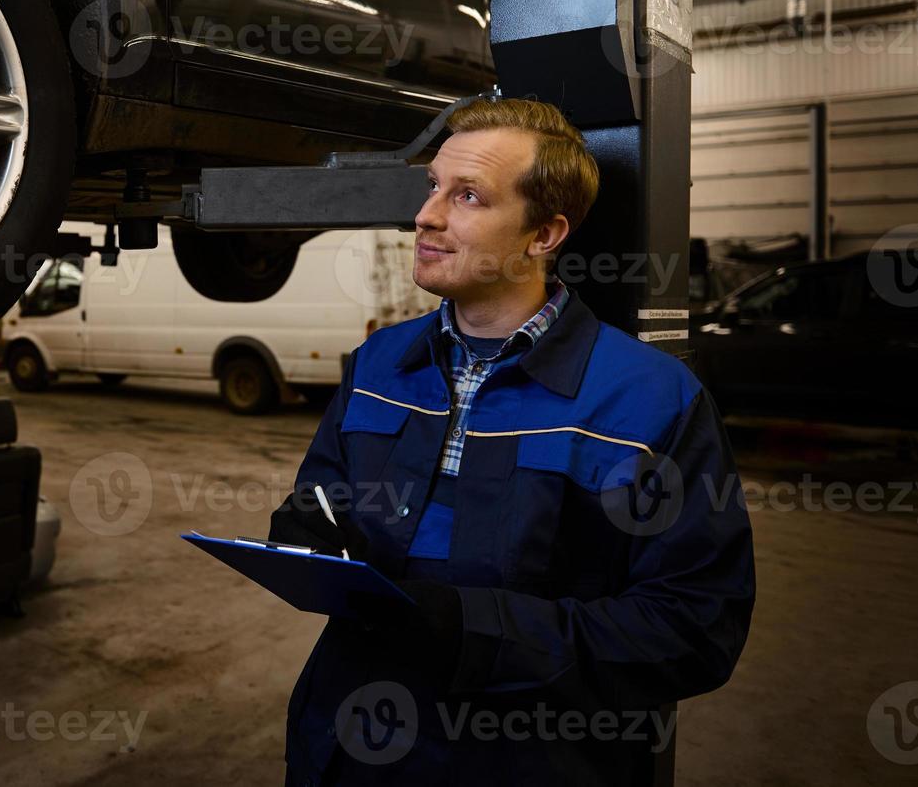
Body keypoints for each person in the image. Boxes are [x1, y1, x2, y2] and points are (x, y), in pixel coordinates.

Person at [271, 98, 755, 786]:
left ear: (543, 235)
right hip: (350, 743)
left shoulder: (649, 401)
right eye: (431, 188)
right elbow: (322, 498)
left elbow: (692, 630)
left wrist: (475, 629)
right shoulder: (378, 364)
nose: (427, 216)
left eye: (466, 196)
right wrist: (307, 535)